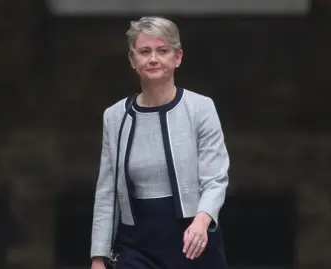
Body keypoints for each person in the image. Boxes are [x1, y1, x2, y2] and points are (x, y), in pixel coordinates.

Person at [90, 16, 230, 269]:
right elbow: (106, 191)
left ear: (177, 58)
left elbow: (215, 177)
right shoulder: (115, 116)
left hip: (193, 241)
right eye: (145, 51)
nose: (153, 58)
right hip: (136, 244)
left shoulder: (200, 108)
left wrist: (201, 221)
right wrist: (98, 257)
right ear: (133, 60)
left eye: (162, 51)